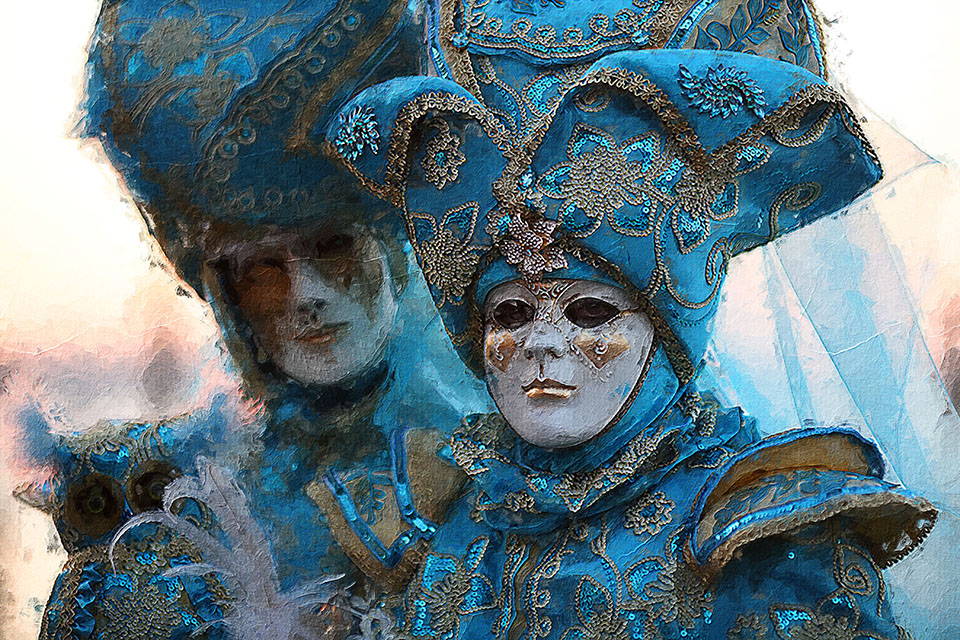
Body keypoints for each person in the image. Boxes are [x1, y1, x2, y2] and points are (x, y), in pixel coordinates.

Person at [323, 38, 937, 640]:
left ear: (665, 339)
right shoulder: (439, 510)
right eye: (510, 315)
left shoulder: (759, 535)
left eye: (588, 311)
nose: (540, 344)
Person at [15, 0, 490, 638]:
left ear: (396, 260)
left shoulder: (502, 459)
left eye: (333, 247)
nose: (307, 295)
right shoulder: (187, 495)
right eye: (264, 269)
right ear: (231, 303)